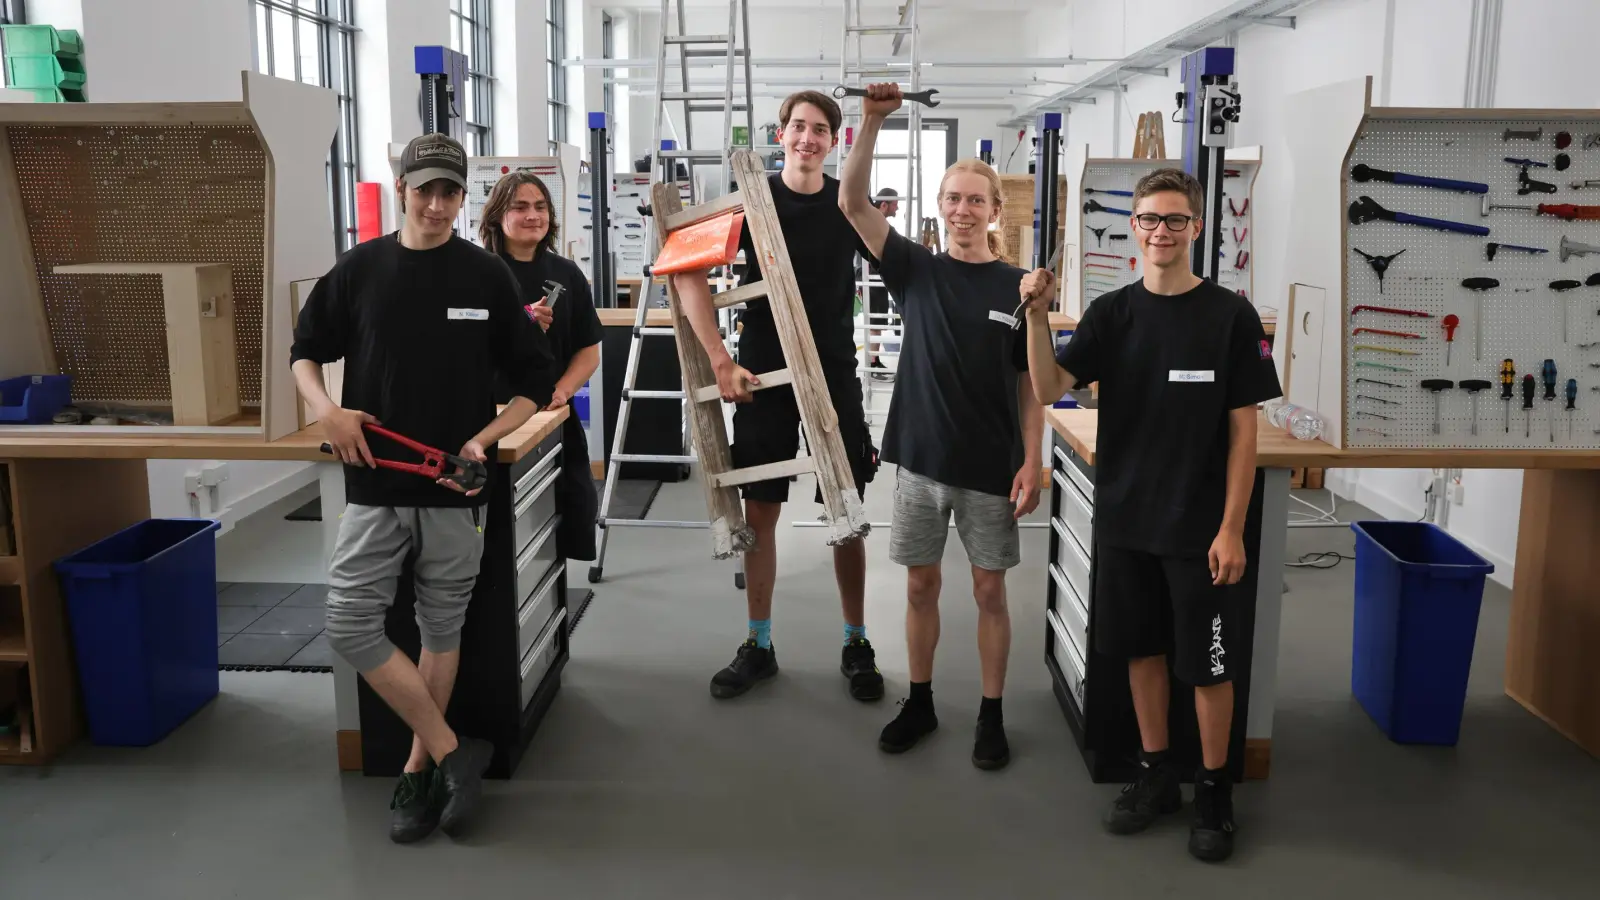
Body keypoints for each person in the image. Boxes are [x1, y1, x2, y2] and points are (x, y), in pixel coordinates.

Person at [290, 133, 554, 845]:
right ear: (400, 184)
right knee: (350, 621)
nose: (436, 205)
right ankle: (450, 747)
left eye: (450, 192)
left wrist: (486, 438)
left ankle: (418, 768)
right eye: (424, 189)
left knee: (442, 624)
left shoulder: (487, 278)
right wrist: (328, 410)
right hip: (375, 484)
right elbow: (305, 351)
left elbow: (535, 383)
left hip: (455, 487)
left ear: (465, 198)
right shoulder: (359, 270)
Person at [1021, 168, 1281, 862]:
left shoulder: (1230, 317)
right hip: (1129, 517)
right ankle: (1157, 771)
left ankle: (1215, 789)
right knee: (1142, 652)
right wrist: (1038, 315)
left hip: (1200, 529)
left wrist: (1231, 527)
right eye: (1149, 219)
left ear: (1197, 228)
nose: (1160, 232)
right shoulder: (1112, 314)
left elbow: (1244, 435)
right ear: (1133, 228)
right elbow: (1049, 388)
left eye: (1175, 220)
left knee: (1210, 666)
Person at [837, 83, 1042, 770]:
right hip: (921, 462)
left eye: (974, 200)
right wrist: (870, 122)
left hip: (990, 466)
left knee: (989, 591)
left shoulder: (1017, 288)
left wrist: (1032, 461)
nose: (962, 210)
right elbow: (852, 203)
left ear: (995, 210)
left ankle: (991, 713)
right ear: (940, 207)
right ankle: (920, 700)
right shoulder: (915, 270)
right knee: (921, 585)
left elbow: (1032, 389)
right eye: (952, 199)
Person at [670, 89, 884, 703]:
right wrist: (719, 356)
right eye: (798, 127)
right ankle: (759, 643)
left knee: (847, 511)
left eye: (821, 130)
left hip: (835, 375)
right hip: (762, 374)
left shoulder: (847, 204)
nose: (808, 139)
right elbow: (686, 269)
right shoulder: (752, 199)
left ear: (833, 141)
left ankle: (856, 640)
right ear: (781, 132)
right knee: (760, 511)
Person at [480, 170, 604, 562]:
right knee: (498, 521)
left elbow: (588, 350)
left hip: (551, 415)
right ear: (498, 216)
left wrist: (563, 390)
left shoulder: (568, 274)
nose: (532, 215)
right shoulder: (479, 273)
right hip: (493, 416)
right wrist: (521, 320)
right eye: (520, 207)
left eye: (540, 207)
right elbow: (463, 344)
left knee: (568, 506)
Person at [866, 186, 900, 379]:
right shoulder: (875, 224)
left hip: (878, 276)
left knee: (877, 320)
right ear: (885, 204)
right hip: (873, 276)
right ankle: (873, 363)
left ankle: (874, 361)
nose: (897, 208)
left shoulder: (879, 223)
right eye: (895, 204)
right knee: (875, 320)